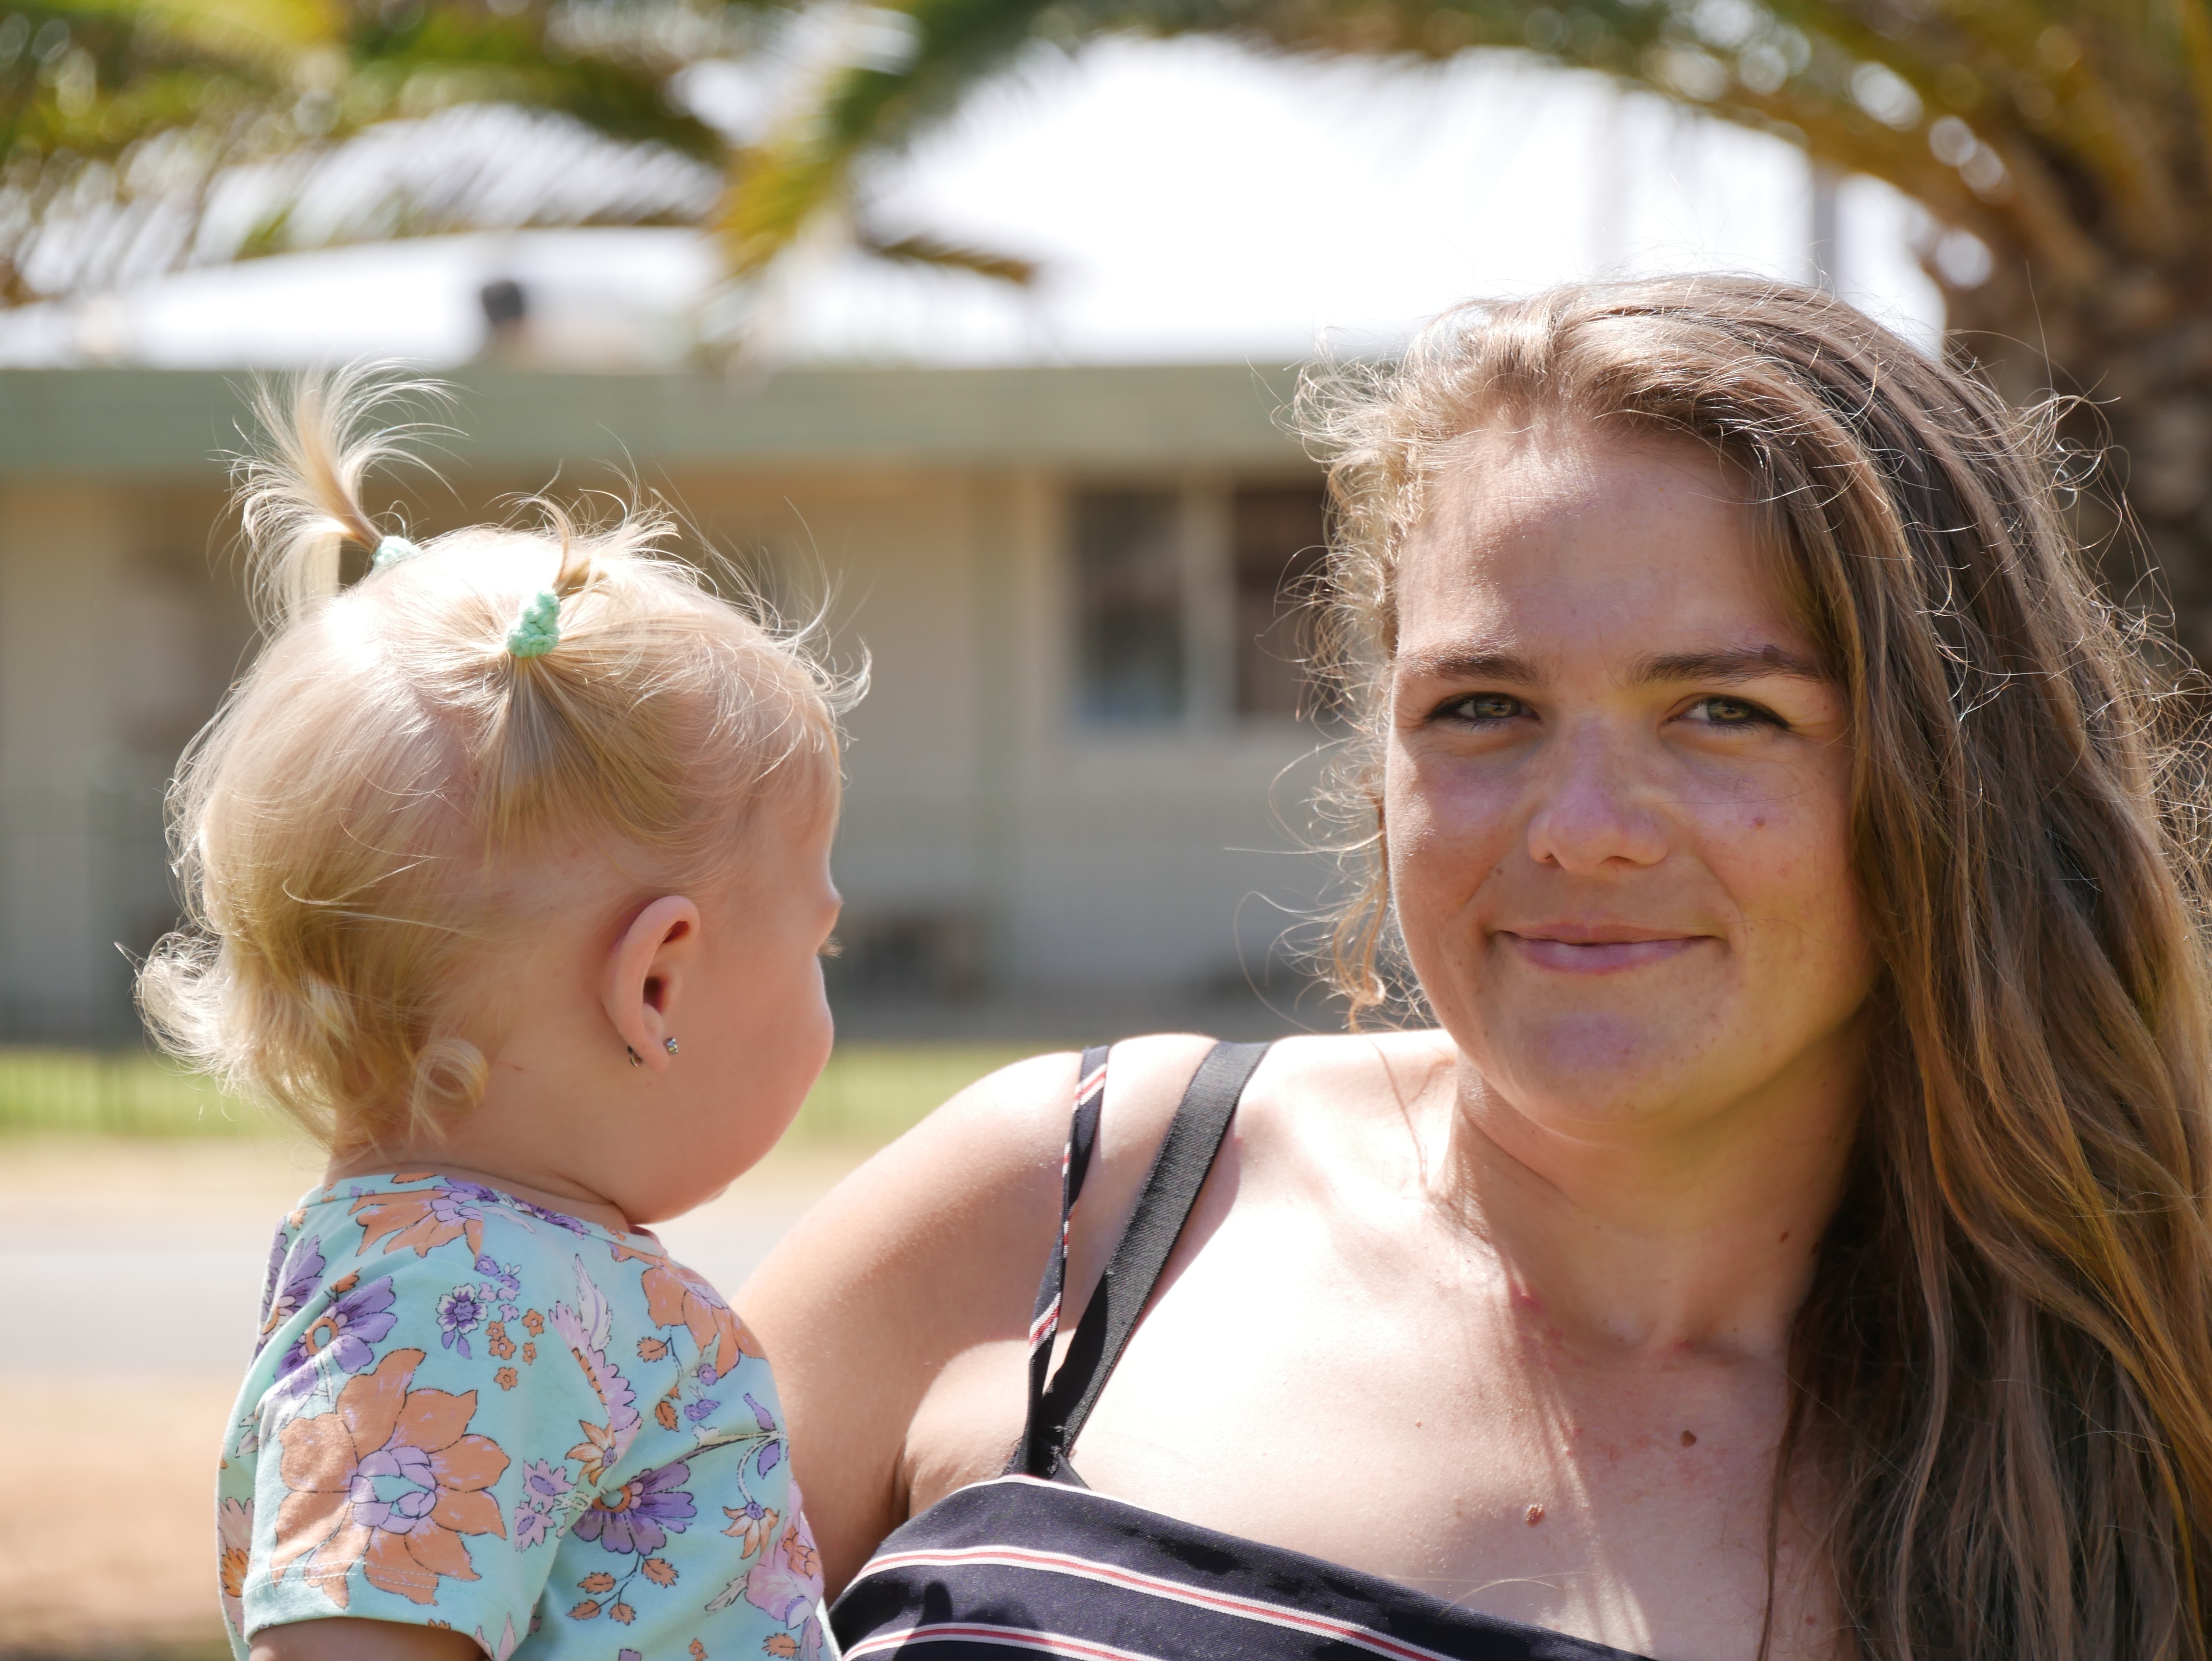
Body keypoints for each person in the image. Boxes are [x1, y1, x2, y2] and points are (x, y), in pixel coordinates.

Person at [742, 276, 2212, 1661]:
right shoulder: (1067, 1204)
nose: (1577, 831)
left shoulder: (2144, 1407)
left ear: (1960, 775)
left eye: (1723, 710)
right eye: (1484, 705)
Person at [142, 371, 846, 1661]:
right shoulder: (464, 1302)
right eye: (819, 944)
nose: (826, 993)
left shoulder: (485, 1279)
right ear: (656, 985)